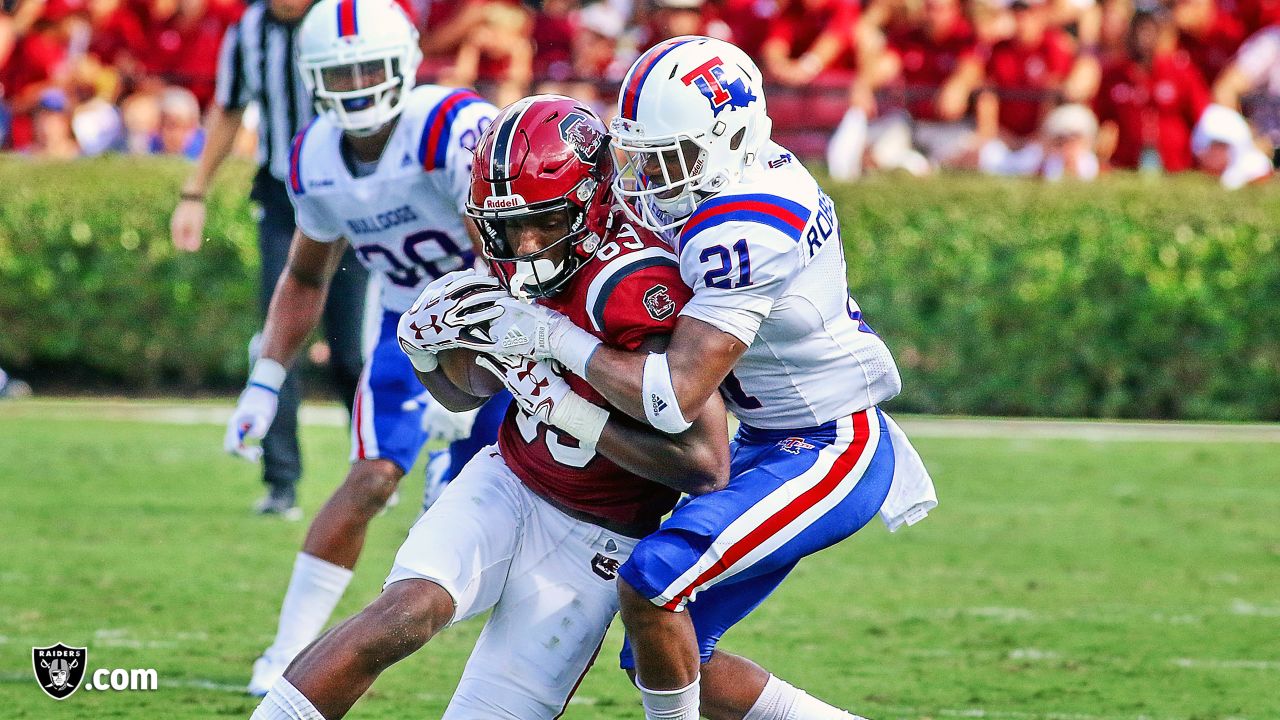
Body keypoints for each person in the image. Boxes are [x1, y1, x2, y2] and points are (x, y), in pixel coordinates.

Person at [441, 36, 937, 720]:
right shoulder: (730, 181)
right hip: (770, 439)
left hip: (827, 444)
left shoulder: (748, 220)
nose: (649, 179)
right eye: (641, 156)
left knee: (653, 584)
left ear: (732, 138)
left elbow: (673, 395)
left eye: (671, 158)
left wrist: (552, 338)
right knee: (668, 649)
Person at [248, 94, 733, 720]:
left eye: (546, 222)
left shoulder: (639, 285)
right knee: (403, 612)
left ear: (593, 200)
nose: (526, 245)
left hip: (601, 537)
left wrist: (569, 407)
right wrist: (429, 356)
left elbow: (703, 465)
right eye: (508, 226)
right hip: (507, 481)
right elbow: (471, 389)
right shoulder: (517, 253)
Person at [221, 0, 509, 696]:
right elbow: (306, 272)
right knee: (373, 478)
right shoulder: (314, 158)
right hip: (407, 323)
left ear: (406, 63)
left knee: (501, 499)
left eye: (368, 70)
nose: (354, 88)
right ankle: (288, 650)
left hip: (505, 317)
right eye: (338, 75)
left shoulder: (449, 131)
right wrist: (265, 377)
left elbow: (505, 254)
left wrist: (472, 365)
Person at [170, 0, 369, 517]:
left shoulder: (344, 21)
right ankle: (281, 482)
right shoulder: (249, 29)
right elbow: (230, 109)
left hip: (348, 194)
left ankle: (371, 467)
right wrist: (194, 193)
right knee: (277, 338)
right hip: (284, 198)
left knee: (351, 351)